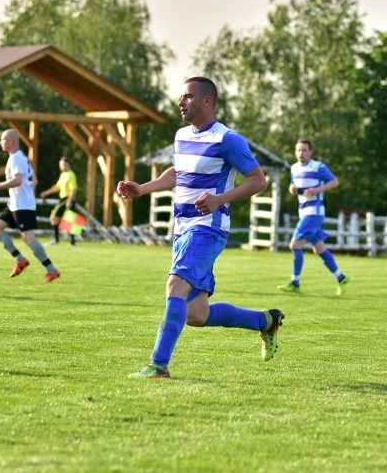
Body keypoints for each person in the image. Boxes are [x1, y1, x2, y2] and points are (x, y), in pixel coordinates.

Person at [117, 76, 284, 379]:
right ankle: (265, 321)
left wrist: (220, 199)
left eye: (188, 97)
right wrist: (143, 188)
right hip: (182, 230)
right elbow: (178, 172)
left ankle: (158, 365)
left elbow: (258, 180)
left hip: (207, 230)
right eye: (181, 97)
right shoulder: (182, 136)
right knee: (196, 315)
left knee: (174, 286)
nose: (181, 102)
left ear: (207, 101)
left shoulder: (227, 139)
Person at [0, 129, 60, 283]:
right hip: (17, 204)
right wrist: (17, 196)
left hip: (23, 206)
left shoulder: (16, 158)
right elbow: (34, 181)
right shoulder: (21, 157)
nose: (0, 143)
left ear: (11, 142)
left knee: (29, 239)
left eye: (3, 140)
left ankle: (51, 270)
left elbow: (18, 180)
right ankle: (20, 259)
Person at [277, 139, 349, 296]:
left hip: (314, 213)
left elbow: (334, 182)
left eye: (304, 150)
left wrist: (317, 190)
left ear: (310, 152)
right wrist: (292, 189)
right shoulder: (294, 168)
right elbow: (292, 186)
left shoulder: (318, 167)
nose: (301, 153)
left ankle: (295, 282)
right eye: (298, 150)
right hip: (304, 212)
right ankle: (341, 277)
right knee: (319, 248)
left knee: (295, 245)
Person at [39, 156, 79, 246]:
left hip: (67, 198)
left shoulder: (71, 175)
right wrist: (46, 193)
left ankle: (58, 240)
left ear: (69, 165)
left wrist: (69, 200)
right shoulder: (63, 175)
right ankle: (69, 241)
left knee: (56, 218)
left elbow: (74, 189)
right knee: (67, 219)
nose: (63, 166)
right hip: (63, 198)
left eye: (65, 164)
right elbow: (57, 187)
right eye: (61, 165)